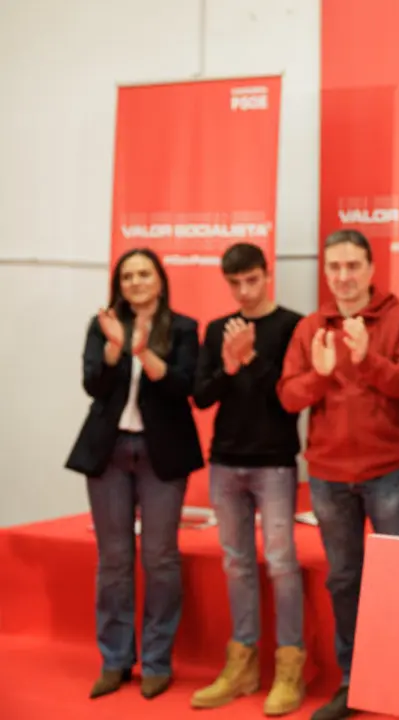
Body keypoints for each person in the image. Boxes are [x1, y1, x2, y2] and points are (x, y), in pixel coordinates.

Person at [277, 229, 399, 720]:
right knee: (344, 580)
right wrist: (322, 375)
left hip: (388, 472)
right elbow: (289, 397)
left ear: (370, 269)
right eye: (334, 267)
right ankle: (354, 680)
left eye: (352, 266)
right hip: (328, 475)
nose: (343, 276)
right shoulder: (311, 327)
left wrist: (368, 361)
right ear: (325, 272)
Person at [65, 247, 203, 700]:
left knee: (160, 558)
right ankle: (115, 659)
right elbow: (94, 385)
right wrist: (113, 349)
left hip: (162, 452)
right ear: (119, 285)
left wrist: (143, 352)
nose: (136, 282)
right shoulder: (103, 324)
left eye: (144, 274)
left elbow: (184, 387)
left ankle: (157, 660)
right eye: (127, 276)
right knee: (114, 560)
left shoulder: (183, 328)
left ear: (159, 280)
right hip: (110, 452)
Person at [190, 243, 306, 715]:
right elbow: (201, 396)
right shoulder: (219, 327)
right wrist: (228, 365)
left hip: (274, 461)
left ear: (267, 274)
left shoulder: (292, 325)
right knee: (236, 562)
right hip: (225, 460)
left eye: (251, 280)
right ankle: (242, 664)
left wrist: (252, 359)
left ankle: (290, 666)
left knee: (280, 561)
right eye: (235, 283)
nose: (244, 291)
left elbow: (288, 398)